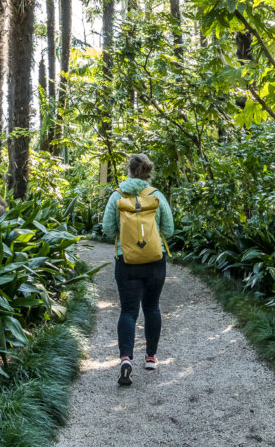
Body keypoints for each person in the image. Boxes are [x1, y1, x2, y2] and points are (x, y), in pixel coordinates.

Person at [101, 153, 174, 387]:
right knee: (152, 307)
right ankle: (151, 357)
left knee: (128, 311)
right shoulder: (156, 196)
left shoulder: (117, 196)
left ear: (129, 171)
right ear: (148, 172)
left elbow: (107, 229)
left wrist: (127, 239)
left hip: (127, 261)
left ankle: (125, 359)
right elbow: (169, 230)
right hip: (155, 260)